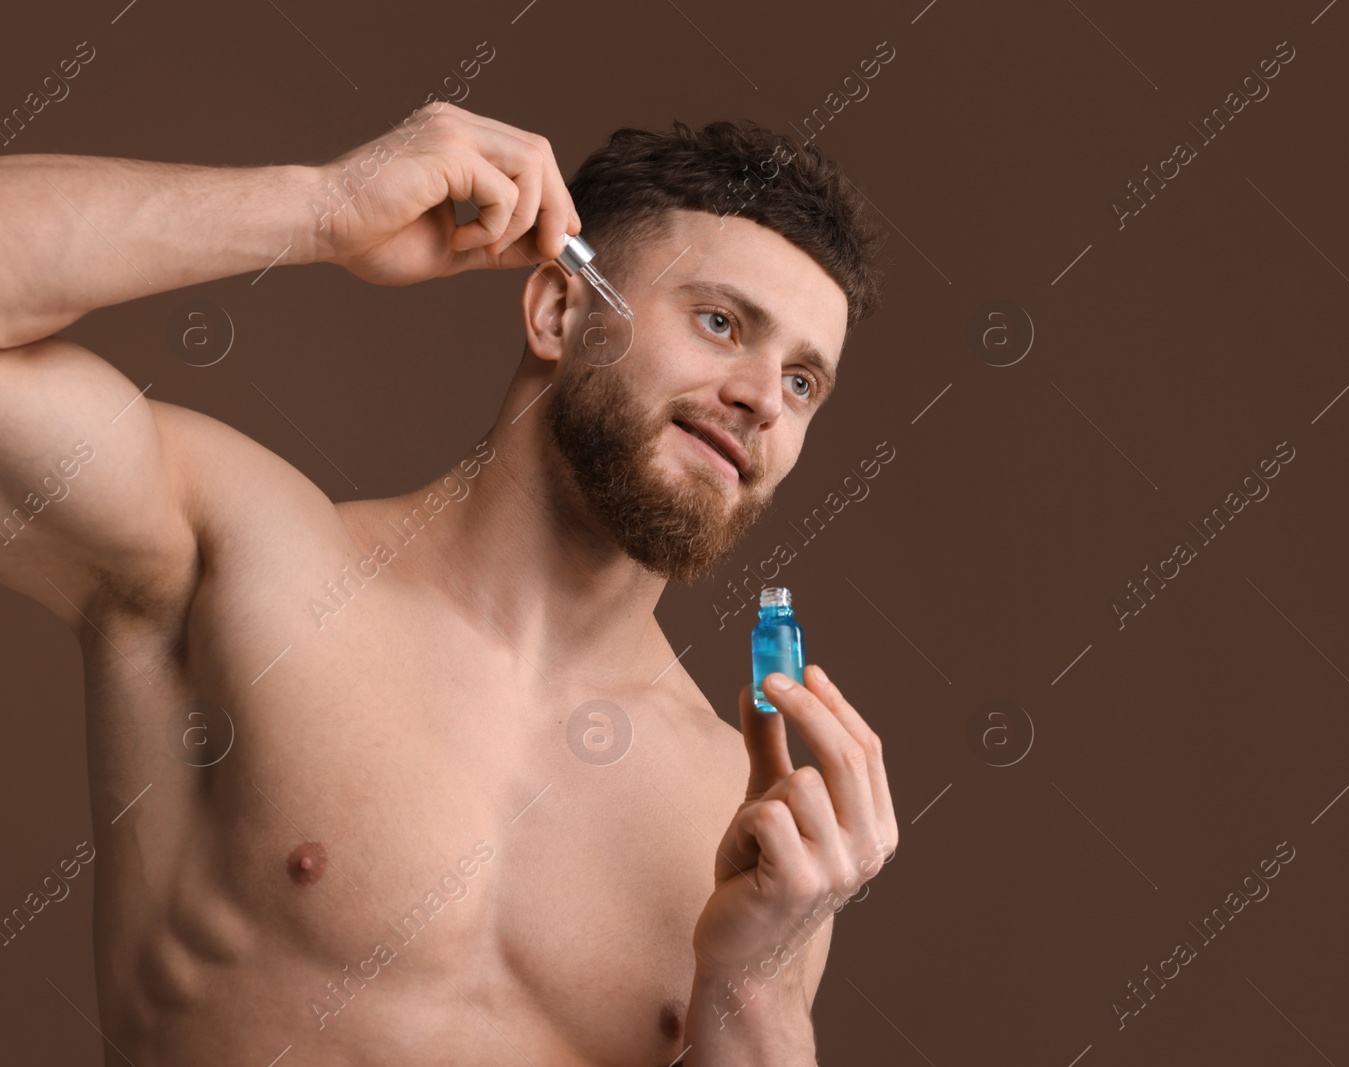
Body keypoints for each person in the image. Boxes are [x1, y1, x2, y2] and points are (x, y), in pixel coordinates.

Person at [0, 101, 898, 1066]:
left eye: (804, 382)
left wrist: (750, 989)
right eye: (720, 322)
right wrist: (317, 207)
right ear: (561, 310)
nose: (763, 397)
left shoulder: (745, 809)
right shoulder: (239, 558)